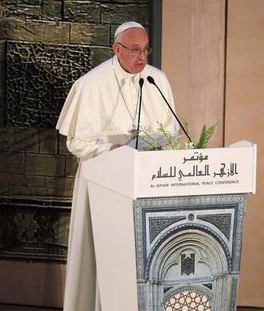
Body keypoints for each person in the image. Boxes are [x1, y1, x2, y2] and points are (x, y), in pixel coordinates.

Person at [55, 21, 178, 311]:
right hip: (102, 181)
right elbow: (77, 143)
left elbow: (170, 130)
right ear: (116, 48)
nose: (141, 57)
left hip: (146, 183)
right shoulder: (91, 84)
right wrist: (112, 149)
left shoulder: (156, 80)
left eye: (146, 50)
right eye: (135, 50)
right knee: (103, 256)